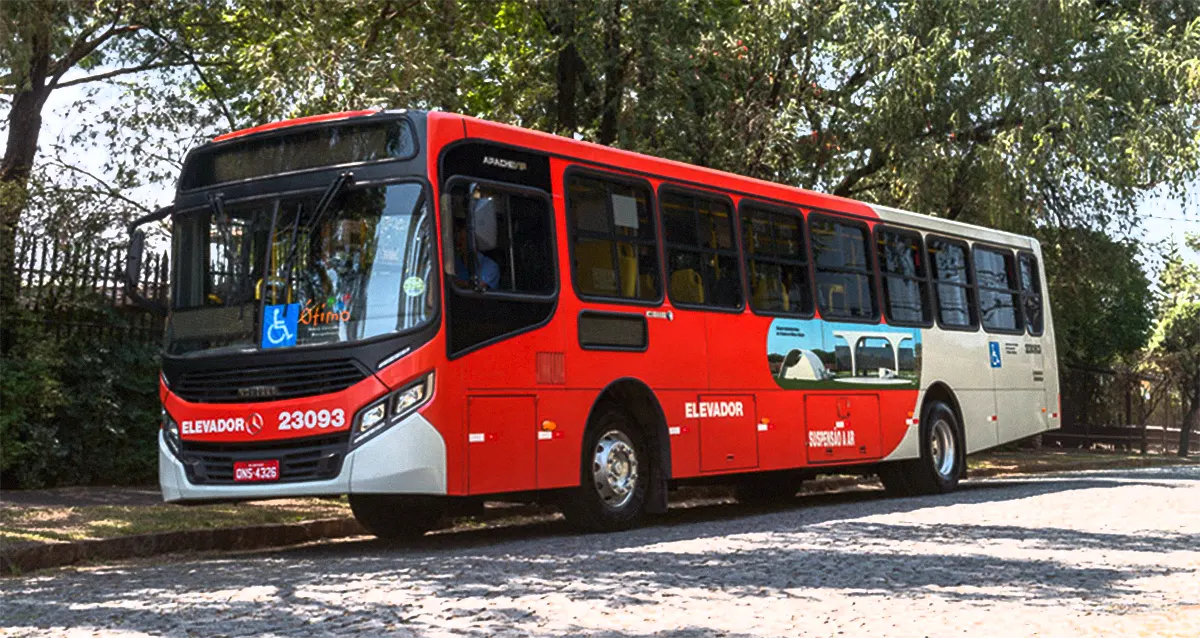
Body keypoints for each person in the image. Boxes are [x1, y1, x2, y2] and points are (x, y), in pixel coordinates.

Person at [453, 222, 500, 290]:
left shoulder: (490, 266)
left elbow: (477, 287)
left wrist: (453, 282)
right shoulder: (454, 265)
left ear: (473, 243)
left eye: (462, 240)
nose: (458, 245)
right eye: (457, 241)